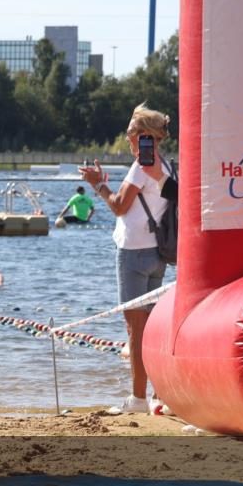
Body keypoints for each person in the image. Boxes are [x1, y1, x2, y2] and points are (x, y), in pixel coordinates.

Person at [80, 103, 172, 414]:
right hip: (157, 253)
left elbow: (119, 206)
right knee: (153, 329)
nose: (128, 139)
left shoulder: (139, 168)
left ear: (145, 135)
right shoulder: (167, 166)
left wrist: (98, 184)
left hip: (133, 253)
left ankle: (138, 399)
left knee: (135, 331)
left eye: (131, 134)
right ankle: (159, 394)